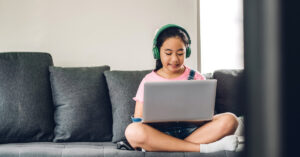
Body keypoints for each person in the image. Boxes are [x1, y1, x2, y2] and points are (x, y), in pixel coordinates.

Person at [125, 24, 239, 152]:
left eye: (180, 53)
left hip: (193, 132)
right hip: (159, 133)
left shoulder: (196, 77)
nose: (174, 59)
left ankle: (165, 147)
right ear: (157, 52)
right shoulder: (148, 80)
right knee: (132, 131)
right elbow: (138, 119)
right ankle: (203, 148)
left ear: (187, 52)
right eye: (168, 53)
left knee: (231, 120)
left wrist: (195, 118)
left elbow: (207, 116)